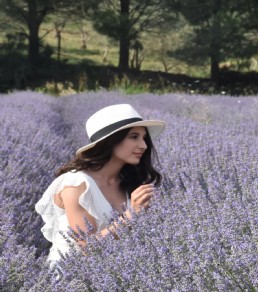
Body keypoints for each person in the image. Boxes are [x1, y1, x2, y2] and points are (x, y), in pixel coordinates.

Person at [36, 104, 165, 268]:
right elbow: (87, 248)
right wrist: (132, 214)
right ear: (111, 141)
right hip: (72, 280)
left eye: (143, 137)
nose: (144, 145)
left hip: (116, 276)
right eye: (134, 137)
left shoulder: (128, 182)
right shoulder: (76, 185)